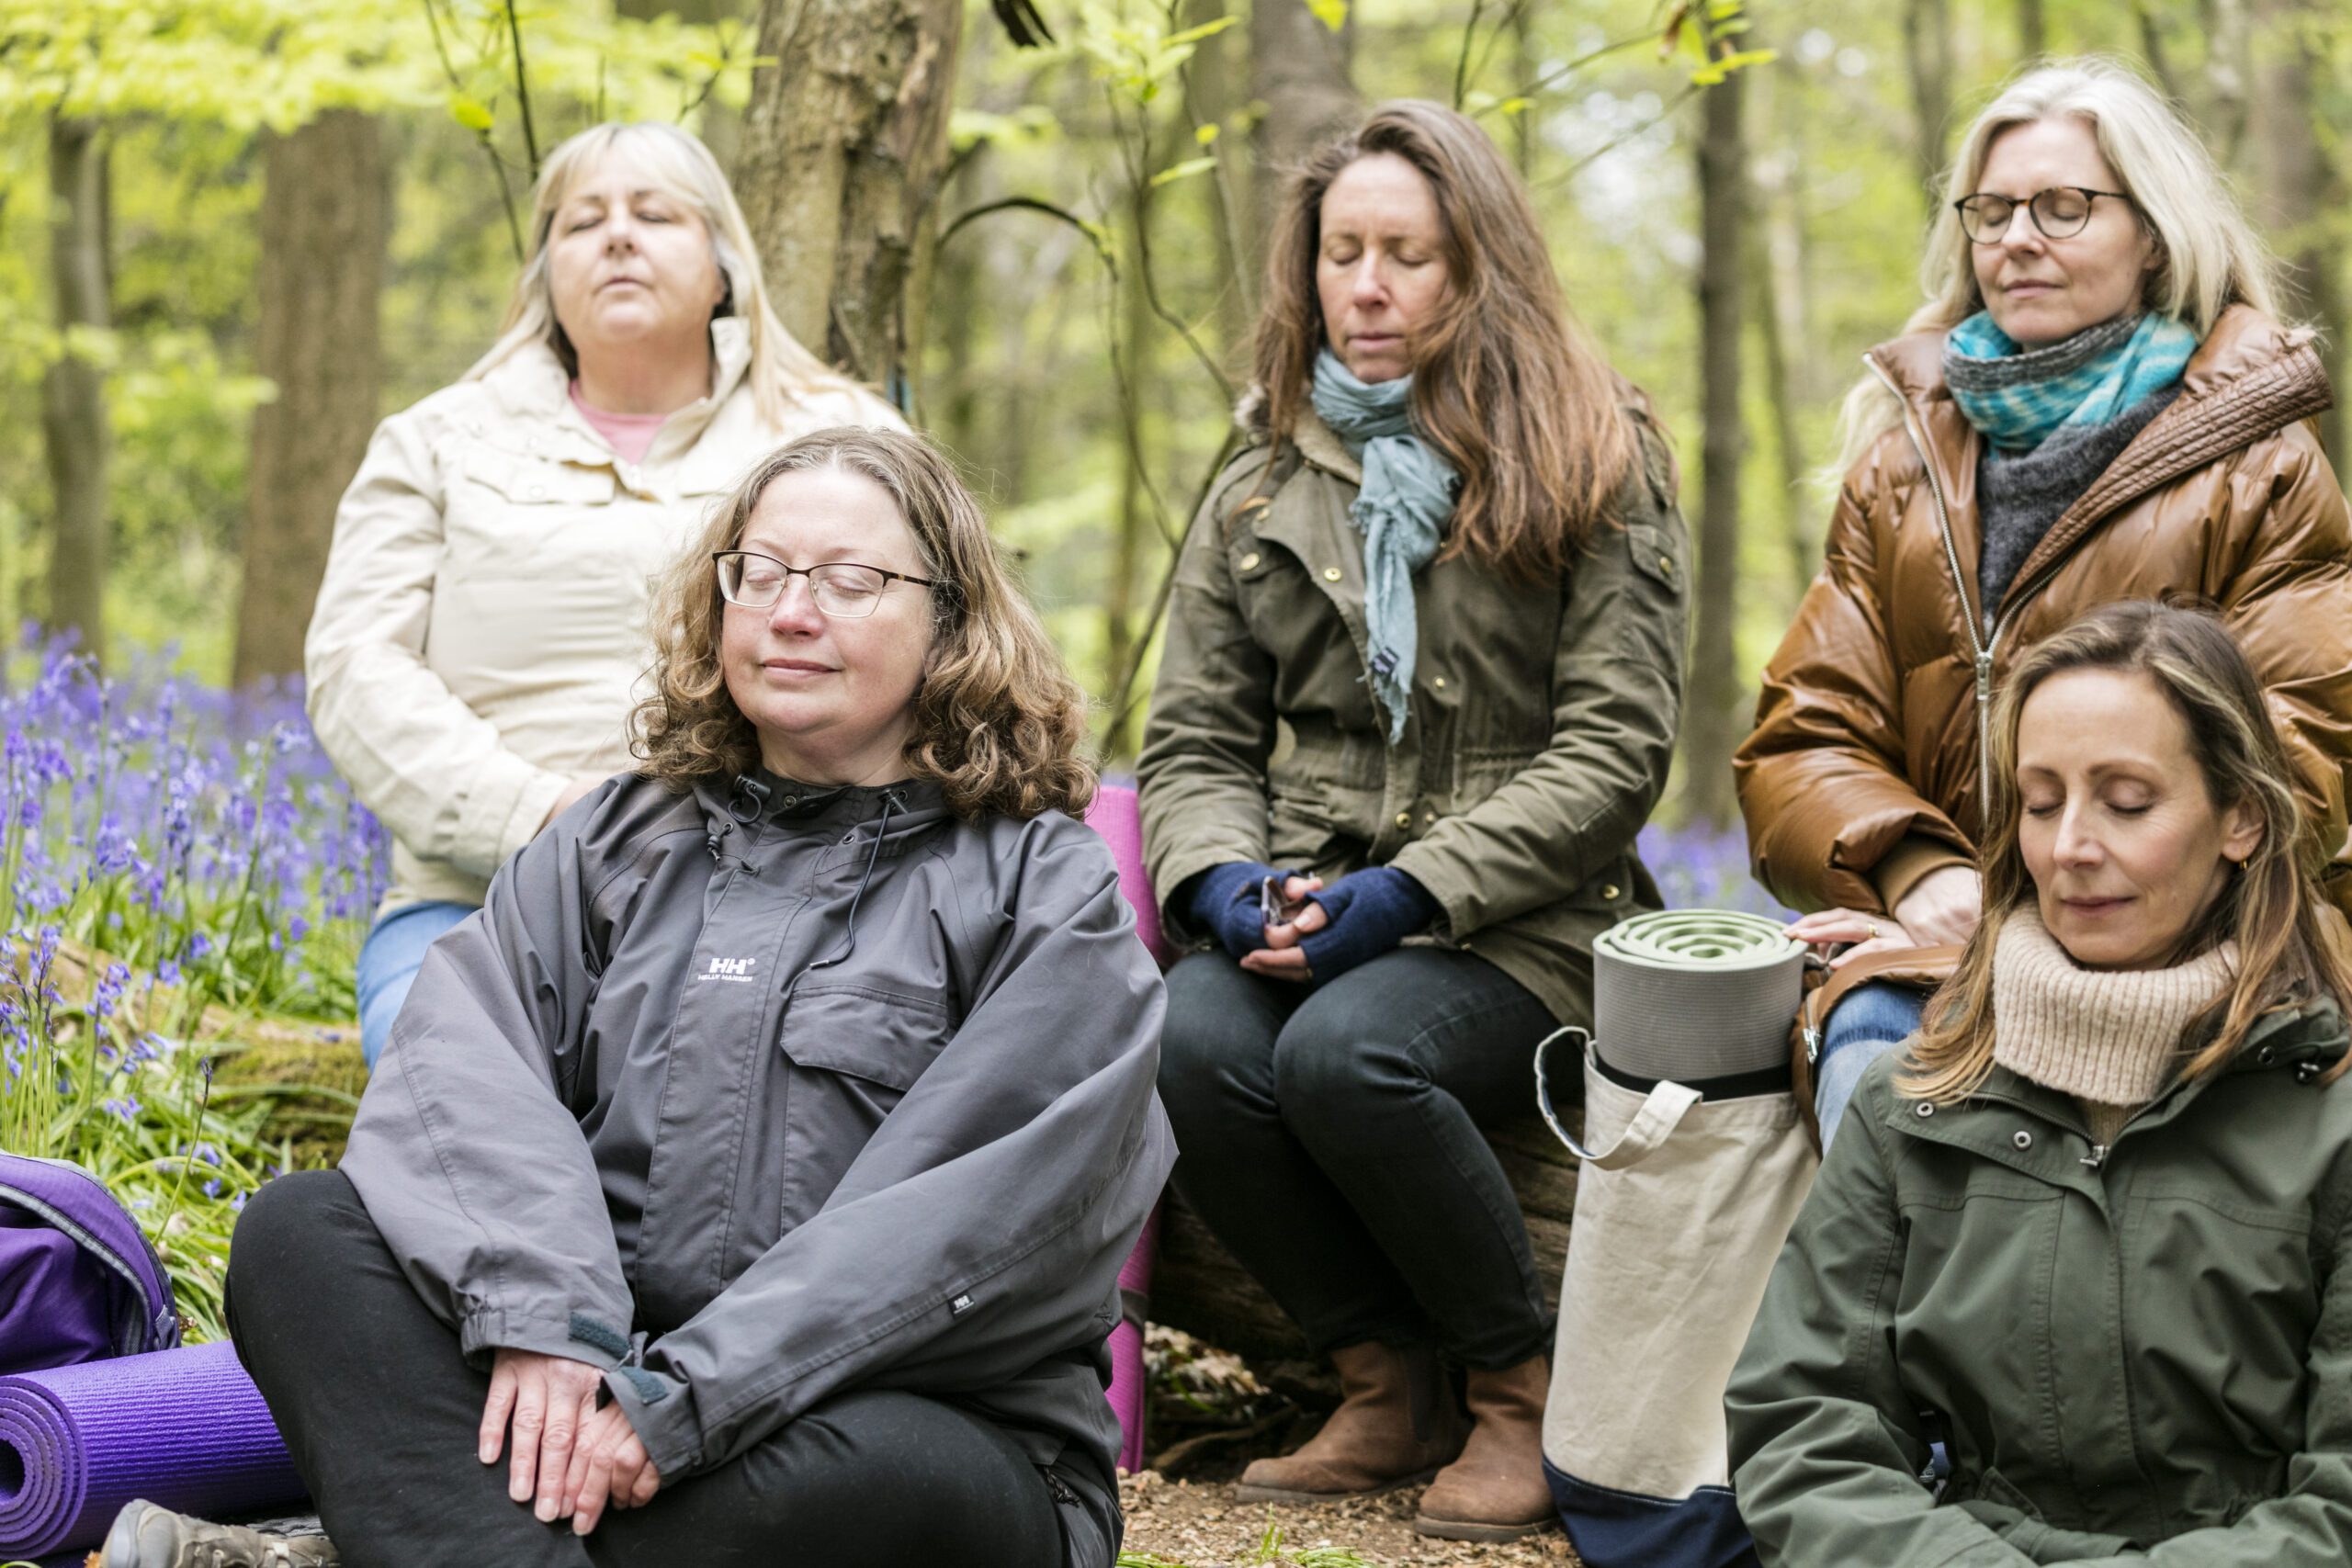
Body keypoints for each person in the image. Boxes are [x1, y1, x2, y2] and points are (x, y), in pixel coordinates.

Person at [108, 428, 1173, 1568]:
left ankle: (385, 1548)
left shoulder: (1042, 887)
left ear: (952, 621)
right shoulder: (611, 844)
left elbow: (968, 1226)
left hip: (898, 1428)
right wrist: (548, 1325)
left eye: (851, 581)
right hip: (591, 1402)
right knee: (303, 1233)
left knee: (880, 1489)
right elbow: (459, 1081)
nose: (791, 611)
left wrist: (688, 1401)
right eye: (757, 573)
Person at [1137, 99, 1687, 1542]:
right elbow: (1194, 733)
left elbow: (1615, 751)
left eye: (1409, 255)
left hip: (1534, 917)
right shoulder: (1266, 465)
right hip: (1311, 893)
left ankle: (1515, 1392)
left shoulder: (1593, 444)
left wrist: (1416, 894)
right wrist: (1221, 885)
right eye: (1343, 252)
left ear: (1478, 265)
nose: (1367, 288)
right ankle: (1384, 1381)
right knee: (1189, 1036)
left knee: (1350, 1052)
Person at [1736, 58, 2352, 1148]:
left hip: (2190, 942)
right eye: (1991, 209)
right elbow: (1804, 733)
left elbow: (2306, 736)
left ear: (2153, 234)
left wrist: (2055, 895)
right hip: (1932, 950)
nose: (2017, 237)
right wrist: (1911, 869)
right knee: (1875, 1049)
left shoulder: (2259, 460)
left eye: (2064, 206)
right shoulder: (1900, 465)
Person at [1726, 599, 2352, 1564]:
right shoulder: (1914, 1098)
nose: (2069, 849)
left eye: (2127, 801)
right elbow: (1803, 1425)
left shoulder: (2334, 1118)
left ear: (2241, 818)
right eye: (2041, 800)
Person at [305, 121, 900, 1069]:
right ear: (545, 273)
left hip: (794, 895)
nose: (618, 235)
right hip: (483, 901)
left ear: (722, 263)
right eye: (583, 222)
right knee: (455, 1096)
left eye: (654, 213)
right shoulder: (435, 442)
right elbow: (355, 671)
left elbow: (919, 651)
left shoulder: (843, 435)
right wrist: (544, 817)